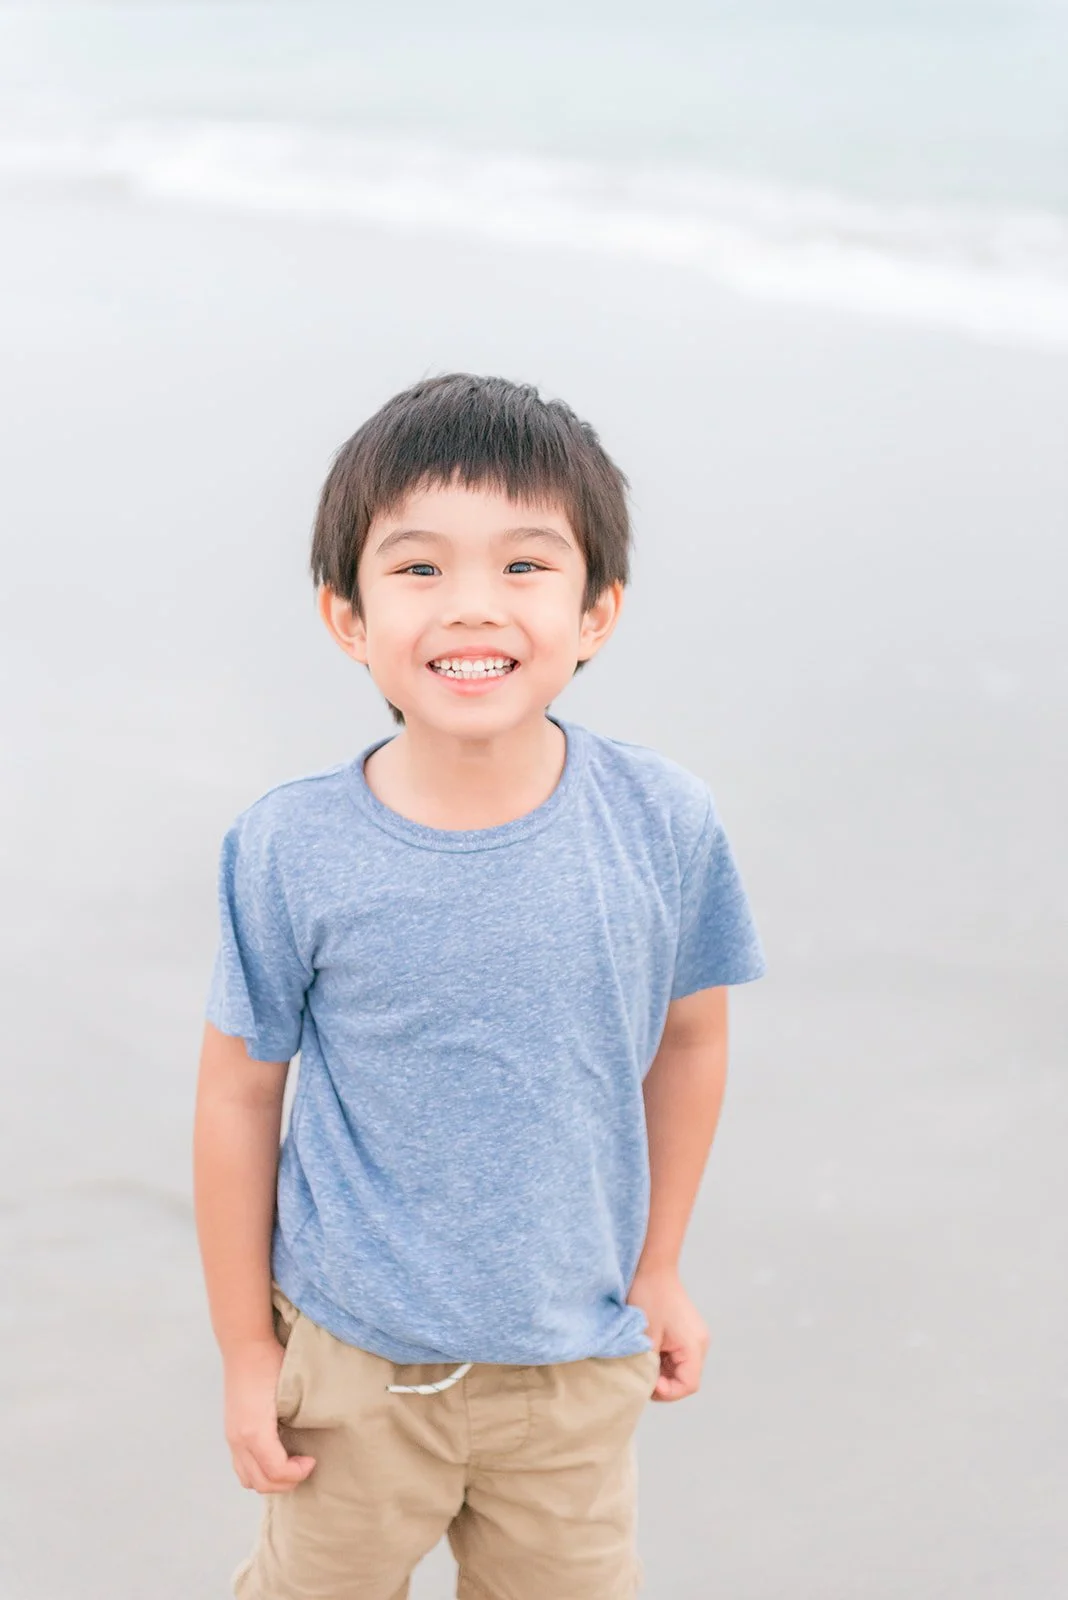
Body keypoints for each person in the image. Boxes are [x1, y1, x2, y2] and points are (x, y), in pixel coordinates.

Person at [194, 372, 767, 1599]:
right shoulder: (291, 847)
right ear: (347, 617)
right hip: (351, 1367)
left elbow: (693, 1040)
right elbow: (240, 1099)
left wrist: (660, 1263)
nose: (473, 607)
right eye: (417, 569)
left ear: (597, 609)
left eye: (523, 566)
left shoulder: (663, 822)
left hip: (575, 1363)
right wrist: (250, 1351)